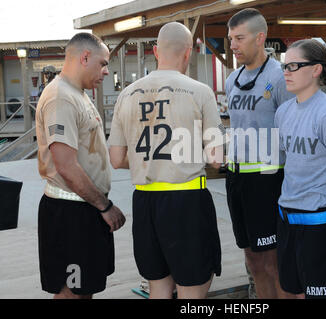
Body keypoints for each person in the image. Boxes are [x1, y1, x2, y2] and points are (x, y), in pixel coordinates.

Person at [108, 22, 224, 299]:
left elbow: (116, 158)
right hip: (187, 201)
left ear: (156, 51)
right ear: (188, 53)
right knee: (193, 287)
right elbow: (217, 158)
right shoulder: (200, 91)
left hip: (145, 202)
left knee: (158, 286)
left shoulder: (127, 94)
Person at [35, 32, 126, 299]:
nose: (106, 71)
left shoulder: (78, 93)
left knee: (84, 288)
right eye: (103, 63)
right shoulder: (61, 97)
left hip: (84, 208)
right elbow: (66, 165)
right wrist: (105, 206)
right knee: (71, 292)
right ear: (84, 57)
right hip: (70, 213)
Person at [275, 39, 326, 299]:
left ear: (316, 69)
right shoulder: (283, 112)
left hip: (321, 223)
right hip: (287, 219)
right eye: (284, 66)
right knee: (293, 292)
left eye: (294, 66)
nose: (286, 72)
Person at [225, 8, 294, 299]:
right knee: (253, 260)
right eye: (230, 39)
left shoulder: (280, 78)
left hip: (268, 180)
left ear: (260, 38)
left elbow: (293, 132)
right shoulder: (232, 79)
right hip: (236, 179)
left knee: (274, 261)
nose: (233, 45)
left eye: (239, 38)